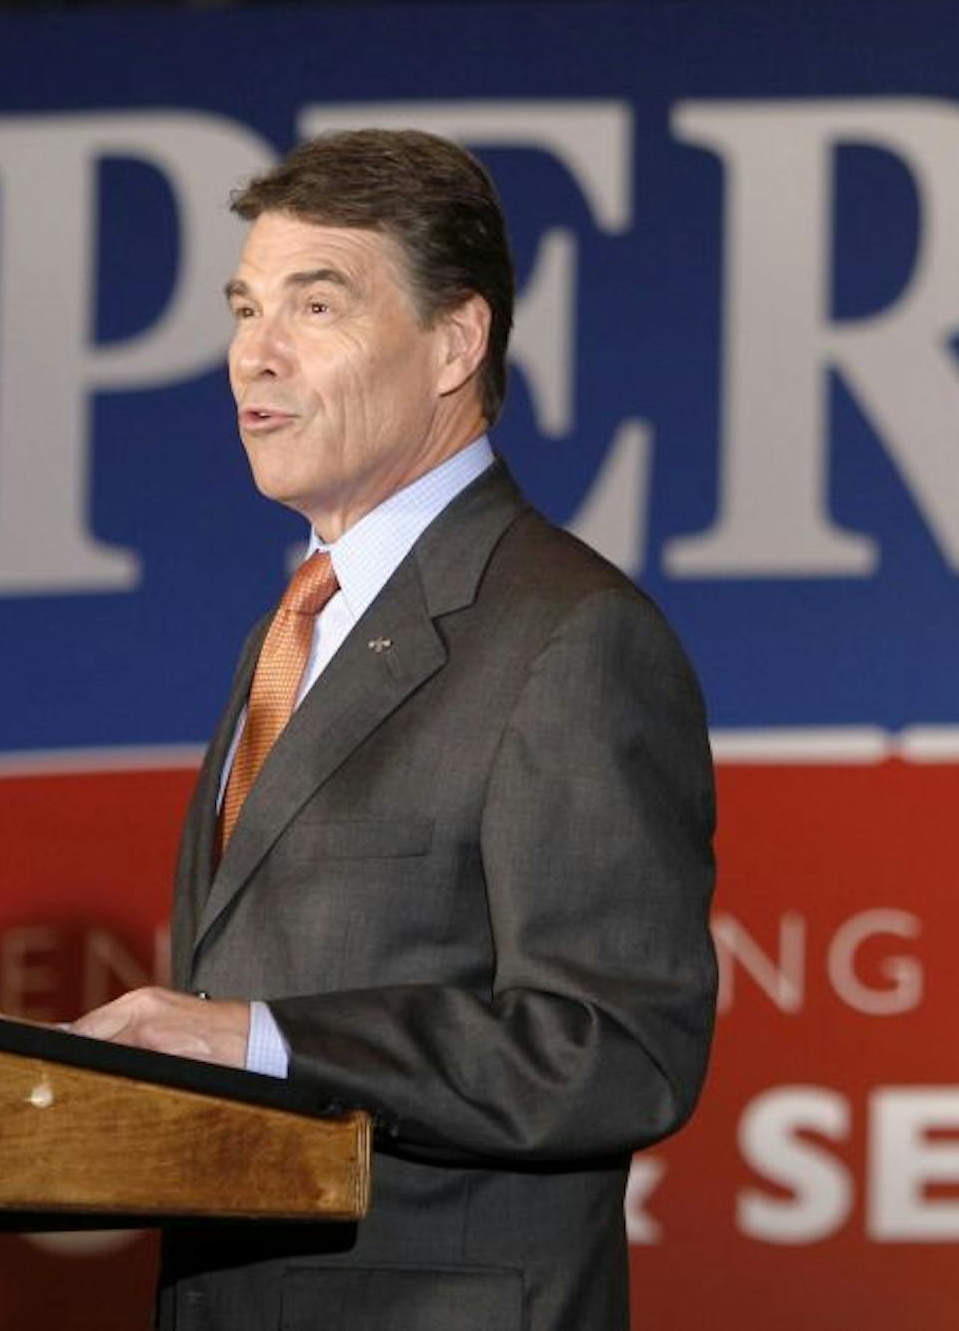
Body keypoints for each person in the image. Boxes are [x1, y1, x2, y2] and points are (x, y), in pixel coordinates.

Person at [70, 129, 718, 1331]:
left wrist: (256, 1037)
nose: (253, 356)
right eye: (246, 306)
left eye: (315, 305)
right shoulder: (295, 628)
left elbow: (613, 1045)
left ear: (455, 345)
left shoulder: (566, 635)